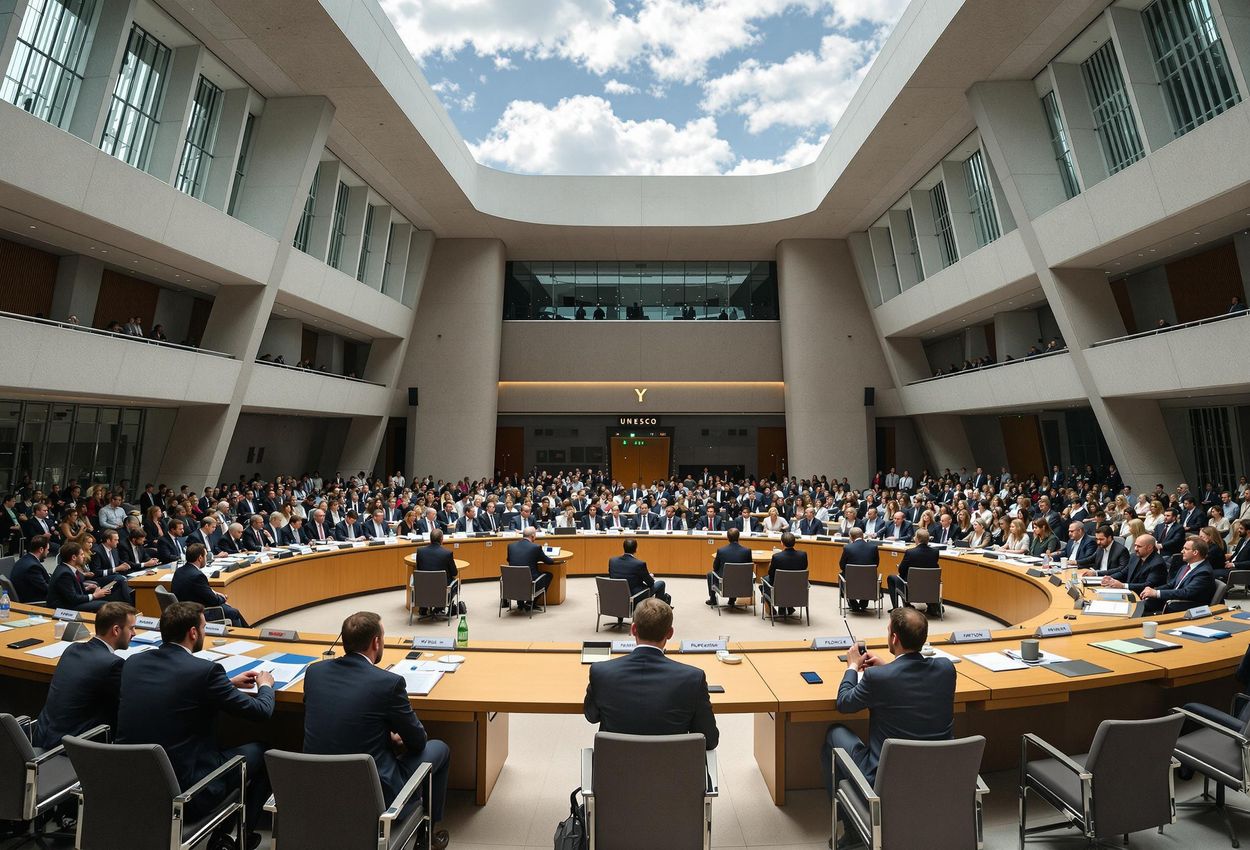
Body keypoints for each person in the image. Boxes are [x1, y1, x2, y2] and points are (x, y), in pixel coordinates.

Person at [118, 602, 275, 850]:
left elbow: (174, 689)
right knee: (264, 753)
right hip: (186, 793)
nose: (204, 632)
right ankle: (236, 840)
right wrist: (265, 685)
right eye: (203, 628)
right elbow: (261, 711)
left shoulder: (133, 663)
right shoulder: (205, 671)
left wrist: (227, 684)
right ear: (193, 633)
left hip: (132, 785)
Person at [302, 612, 451, 850]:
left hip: (319, 788)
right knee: (439, 748)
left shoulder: (314, 673)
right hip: (375, 793)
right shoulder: (388, 683)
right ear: (376, 642)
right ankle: (427, 837)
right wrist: (398, 742)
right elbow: (418, 741)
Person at [820, 607, 955, 844]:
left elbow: (844, 702)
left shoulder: (876, 679)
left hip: (885, 779)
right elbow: (914, 682)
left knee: (835, 733)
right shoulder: (946, 669)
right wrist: (888, 668)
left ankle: (853, 827)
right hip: (937, 776)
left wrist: (852, 666)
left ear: (894, 638)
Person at [583, 598, 718, 748]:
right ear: (670, 633)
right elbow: (710, 740)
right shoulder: (693, 678)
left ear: (633, 629)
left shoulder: (601, 672)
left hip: (615, 769)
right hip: (672, 770)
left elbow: (592, 716)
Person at [34, 602, 136, 748]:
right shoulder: (113, 664)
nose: (134, 633)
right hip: (72, 750)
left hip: (43, 737)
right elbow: (128, 703)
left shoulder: (72, 649)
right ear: (116, 630)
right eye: (131, 628)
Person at [172, 542, 249, 627]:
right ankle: (245, 634)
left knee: (229, 609)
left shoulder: (179, 571)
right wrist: (223, 598)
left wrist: (216, 594)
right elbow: (214, 600)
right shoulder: (198, 576)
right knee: (233, 612)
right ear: (200, 558)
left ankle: (249, 631)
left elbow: (202, 591)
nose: (206, 558)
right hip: (197, 612)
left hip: (184, 608)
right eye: (205, 556)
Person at [1142, 536, 1217, 615]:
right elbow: (1172, 584)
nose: (1182, 551)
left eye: (1186, 549)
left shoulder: (1204, 572)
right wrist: (1153, 590)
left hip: (1186, 608)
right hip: (1172, 600)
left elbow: (1186, 592)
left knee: (1143, 612)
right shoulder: (1185, 566)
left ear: (1195, 552)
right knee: (1140, 605)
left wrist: (1156, 593)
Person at [46, 541, 117, 612]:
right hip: (64, 607)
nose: (84, 556)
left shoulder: (66, 568)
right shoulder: (65, 574)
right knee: (105, 605)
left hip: (70, 602)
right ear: (74, 557)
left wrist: (87, 588)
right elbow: (73, 598)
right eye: (82, 554)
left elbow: (69, 591)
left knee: (106, 598)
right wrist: (94, 595)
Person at [608, 537, 669, 613]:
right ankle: (658, 613)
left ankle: (620, 616)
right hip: (634, 597)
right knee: (661, 584)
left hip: (616, 596)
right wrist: (650, 576)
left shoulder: (612, 561)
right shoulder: (639, 564)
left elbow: (613, 577)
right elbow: (650, 583)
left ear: (623, 548)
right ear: (635, 549)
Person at [886, 528, 938, 610]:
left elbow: (901, 570)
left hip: (910, 588)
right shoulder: (935, 552)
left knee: (891, 578)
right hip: (929, 588)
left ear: (917, 539)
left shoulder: (910, 552)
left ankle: (897, 608)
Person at [503, 526, 552, 610]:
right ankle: (530, 603)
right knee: (549, 575)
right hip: (530, 582)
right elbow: (549, 562)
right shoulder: (536, 547)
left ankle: (520, 603)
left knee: (519, 574)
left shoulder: (511, 546)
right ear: (532, 536)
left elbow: (509, 560)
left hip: (512, 581)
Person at [414, 529, 459, 615]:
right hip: (441, 590)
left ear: (430, 539)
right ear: (442, 539)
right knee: (454, 581)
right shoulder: (447, 553)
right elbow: (454, 573)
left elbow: (419, 569)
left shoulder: (420, 551)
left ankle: (424, 607)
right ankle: (440, 607)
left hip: (424, 588)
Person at [707, 526, 753, 606]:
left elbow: (715, 567)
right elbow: (749, 568)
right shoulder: (747, 551)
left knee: (710, 574)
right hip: (741, 582)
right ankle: (732, 599)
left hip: (725, 583)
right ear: (739, 537)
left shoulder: (721, 551)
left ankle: (713, 599)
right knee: (736, 574)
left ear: (727, 538)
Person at [764, 532, 807, 616]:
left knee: (765, 580)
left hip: (779, 588)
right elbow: (803, 568)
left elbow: (771, 574)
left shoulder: (777, 557)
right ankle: (788, 607)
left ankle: (775, 608)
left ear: (782, 543)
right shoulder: (803, 555)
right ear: (794, 543)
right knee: (788, 581)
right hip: (797, 588)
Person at [839, 527, 878, 612]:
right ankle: (864, 602)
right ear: (863, 536)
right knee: (869, 573)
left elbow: (842, 566)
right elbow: (876, 565)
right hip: (869, 581)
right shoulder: (873, 547)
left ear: (851, 537)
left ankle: (853, 603)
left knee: (841, 575)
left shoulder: (848, 548)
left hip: (851, 581)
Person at [10, 534, 51, 602]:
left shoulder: (25, 558)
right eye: (47, 550)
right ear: (41, 549)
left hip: (27, 593)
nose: (48, 552)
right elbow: (45, 588)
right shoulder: (32, 567)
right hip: (33, 600)